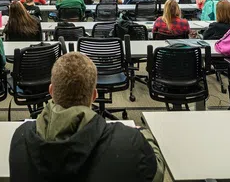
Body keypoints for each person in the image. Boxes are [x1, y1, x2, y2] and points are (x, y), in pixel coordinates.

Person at [9, 54, 166, 182]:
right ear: (94, 95)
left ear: (51, 90)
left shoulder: (20, 138)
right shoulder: (130, 142)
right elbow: (156, 173)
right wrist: (144, 134)